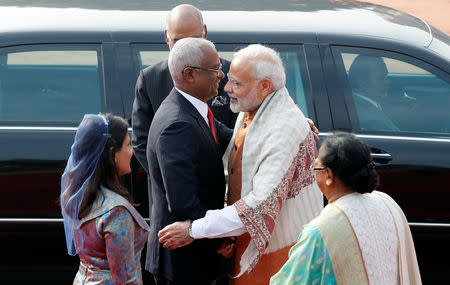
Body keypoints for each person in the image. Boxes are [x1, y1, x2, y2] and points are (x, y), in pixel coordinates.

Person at [158, 44, 323, 284]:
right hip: (252, 246)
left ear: (265, 86)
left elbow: (258, 206)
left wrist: (194, 229)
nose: (227, 88)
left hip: (282, 256)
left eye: (236, 83)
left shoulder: (283, 130)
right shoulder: (256, 109)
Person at [271, 132, 421, 285]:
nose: (314, 167)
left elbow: (290, 281)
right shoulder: (388, 204)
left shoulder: (321, 230)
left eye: (316, 167)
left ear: (329, 175)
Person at [146, 37, 232, 285]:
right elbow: (183, 202)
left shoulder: (194, 108)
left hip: (194, 256)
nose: (221, 74)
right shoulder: (178, 124)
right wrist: (222, 237)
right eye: (215, 68)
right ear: (190, 74)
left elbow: (231, 138)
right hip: (182, 264)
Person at [131, 4, 237, 175]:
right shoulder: (150, 79)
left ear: (205, 33)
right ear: (167, 37)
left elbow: (239, 137)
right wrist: (173, 177)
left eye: (194, 40)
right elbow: (141, 143)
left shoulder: (230, 75)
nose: (187, 49)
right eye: (179, 41)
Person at [60, 113, 150, 284]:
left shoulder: (78, 195)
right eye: (128, 145)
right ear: (112, 153)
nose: (132, 152)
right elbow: (125, 279)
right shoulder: (116, 211)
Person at [348, 54, 400, 131]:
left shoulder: (358, 103)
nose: (387, 82)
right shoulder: (371, 119)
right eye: (381, 78)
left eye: (386, 76)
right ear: (362, 83)